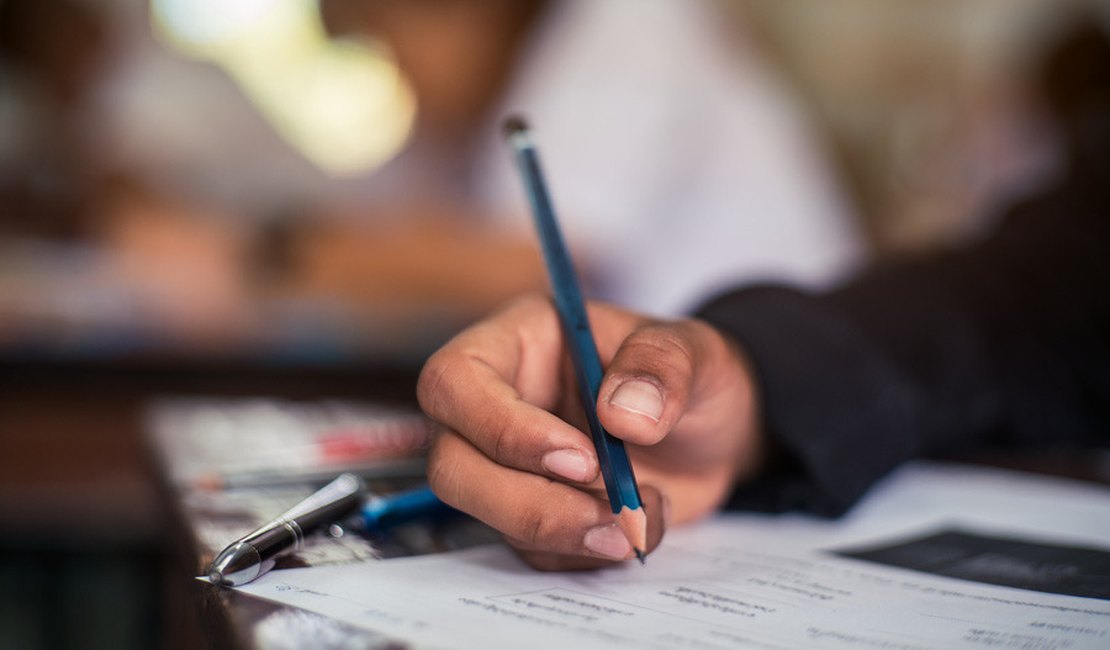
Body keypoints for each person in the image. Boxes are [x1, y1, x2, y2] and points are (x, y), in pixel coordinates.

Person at [414, 17, 1110, 571]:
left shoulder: (627, 26)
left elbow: (511, 257)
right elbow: (1032, 300)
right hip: (707, 421)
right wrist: (758, 380)